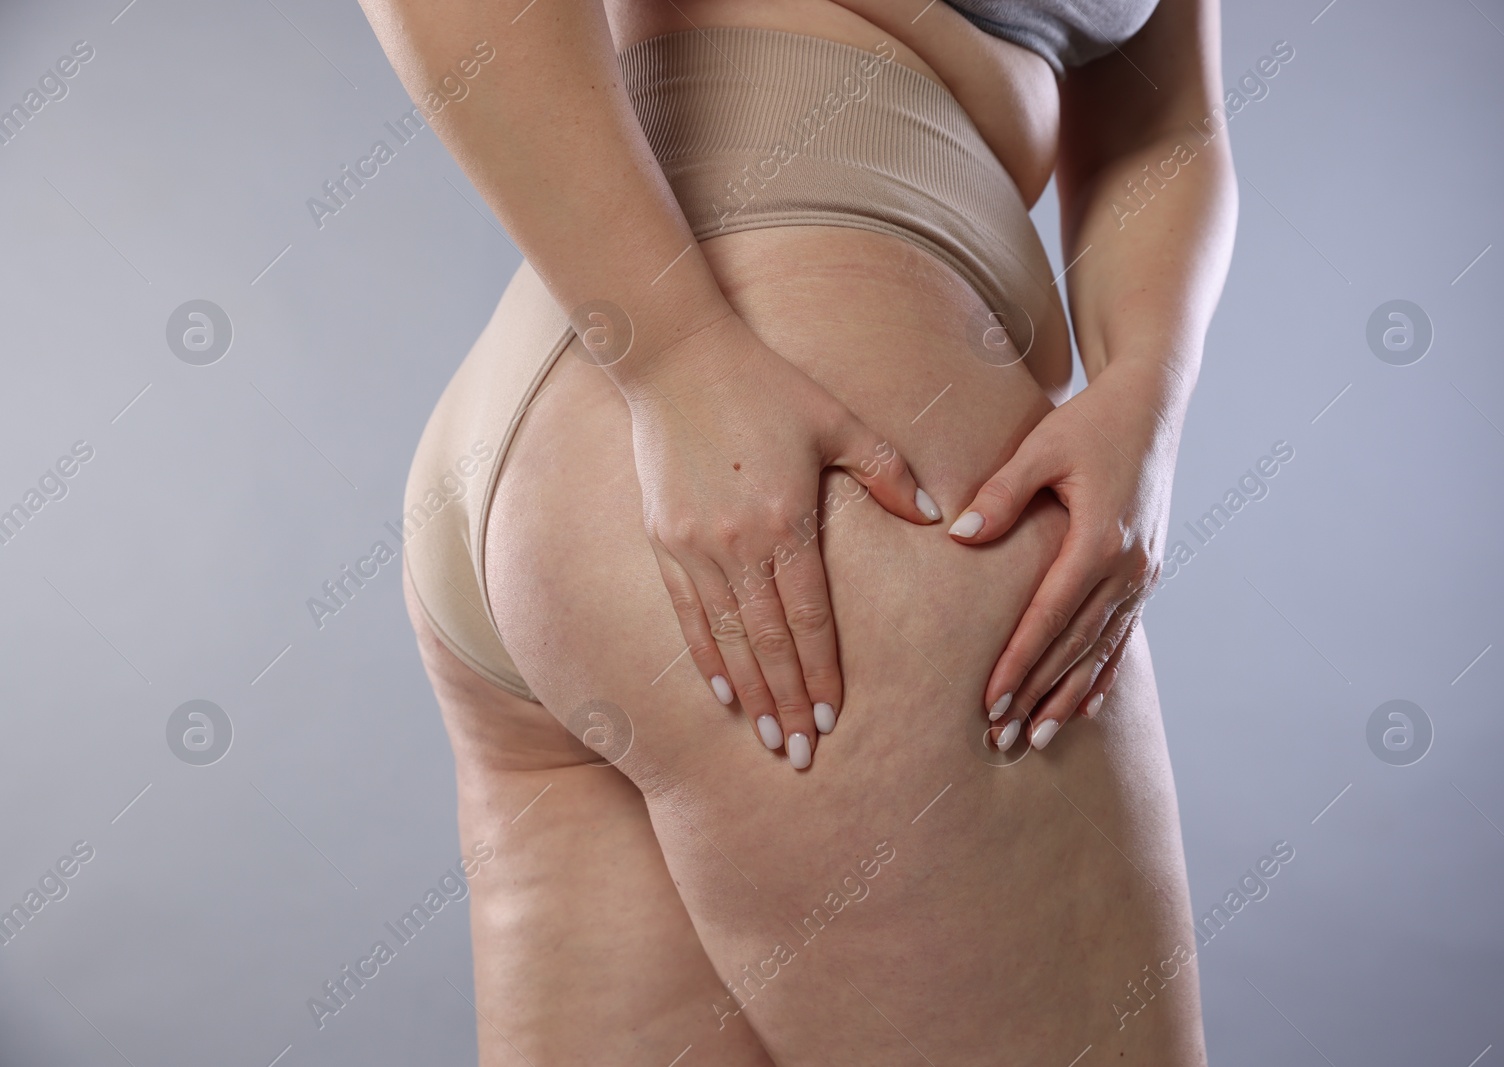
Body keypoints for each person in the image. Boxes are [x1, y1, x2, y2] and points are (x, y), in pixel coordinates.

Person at [360, 0, 1235, 1061]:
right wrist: (674, 355)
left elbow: (1167, 121)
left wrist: (1148, 380)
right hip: (812, 435)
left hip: (618, 447)